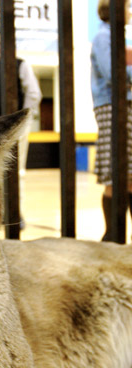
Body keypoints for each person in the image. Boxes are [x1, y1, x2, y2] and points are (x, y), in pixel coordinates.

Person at [0, 28, 42, 227]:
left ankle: (14, 213)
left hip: (13, 128)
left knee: (15, 173)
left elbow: (34, 93)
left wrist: (22, 122)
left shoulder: (21, 65)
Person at [91, 0, 132, 240]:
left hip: (122, 106)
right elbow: (112, 71)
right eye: (127, 7)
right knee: (115, 174)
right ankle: (113, 236)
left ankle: (117, 236)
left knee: (127, 174)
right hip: (111, 107)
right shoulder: (104, 37)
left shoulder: (116, 38)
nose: (129, 12)